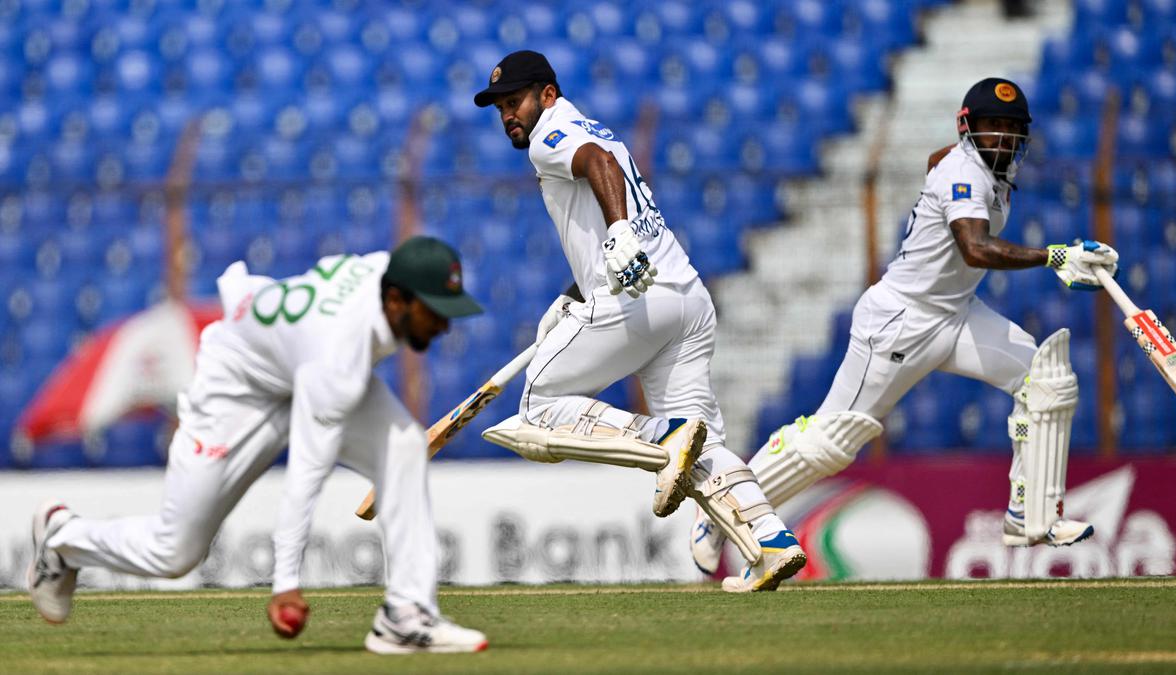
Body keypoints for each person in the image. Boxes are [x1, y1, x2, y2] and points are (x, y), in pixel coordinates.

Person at [690, 77, 1121, 574]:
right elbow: (975, 248)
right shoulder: (965, 174)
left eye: (1010, 128)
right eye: (991, 126)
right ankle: (721, 507)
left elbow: (936, 162)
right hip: (900, 321)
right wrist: (1056, 255)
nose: (1001, 137)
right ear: (969, 130)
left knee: (1045, 379)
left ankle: (1032, 515)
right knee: (832, 443)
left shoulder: (977, 169)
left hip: (956, 315)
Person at [28, 237, 491, 654]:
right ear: (395, 299)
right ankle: (64, 539)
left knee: (404, 449)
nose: (443, 327)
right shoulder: (338, 356)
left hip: (297, 364)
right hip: (238, 392)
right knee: (174, 553)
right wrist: (285, 583)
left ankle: (405, 617)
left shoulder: (383, 275)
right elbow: (307, 472)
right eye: (434, 312)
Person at [471, 50, 805, 592]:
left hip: (635, 303)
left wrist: (618, 236)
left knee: (536, 407)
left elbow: (598, 165)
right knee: (705, 446)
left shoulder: (550, 135)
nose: (509, 115)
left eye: (516, 102)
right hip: (684, 298)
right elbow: (602, 220)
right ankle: (770, 539)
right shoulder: (583, 125)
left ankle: (661, 436)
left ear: (547, 96)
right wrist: (569, 298)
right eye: (501, 107)